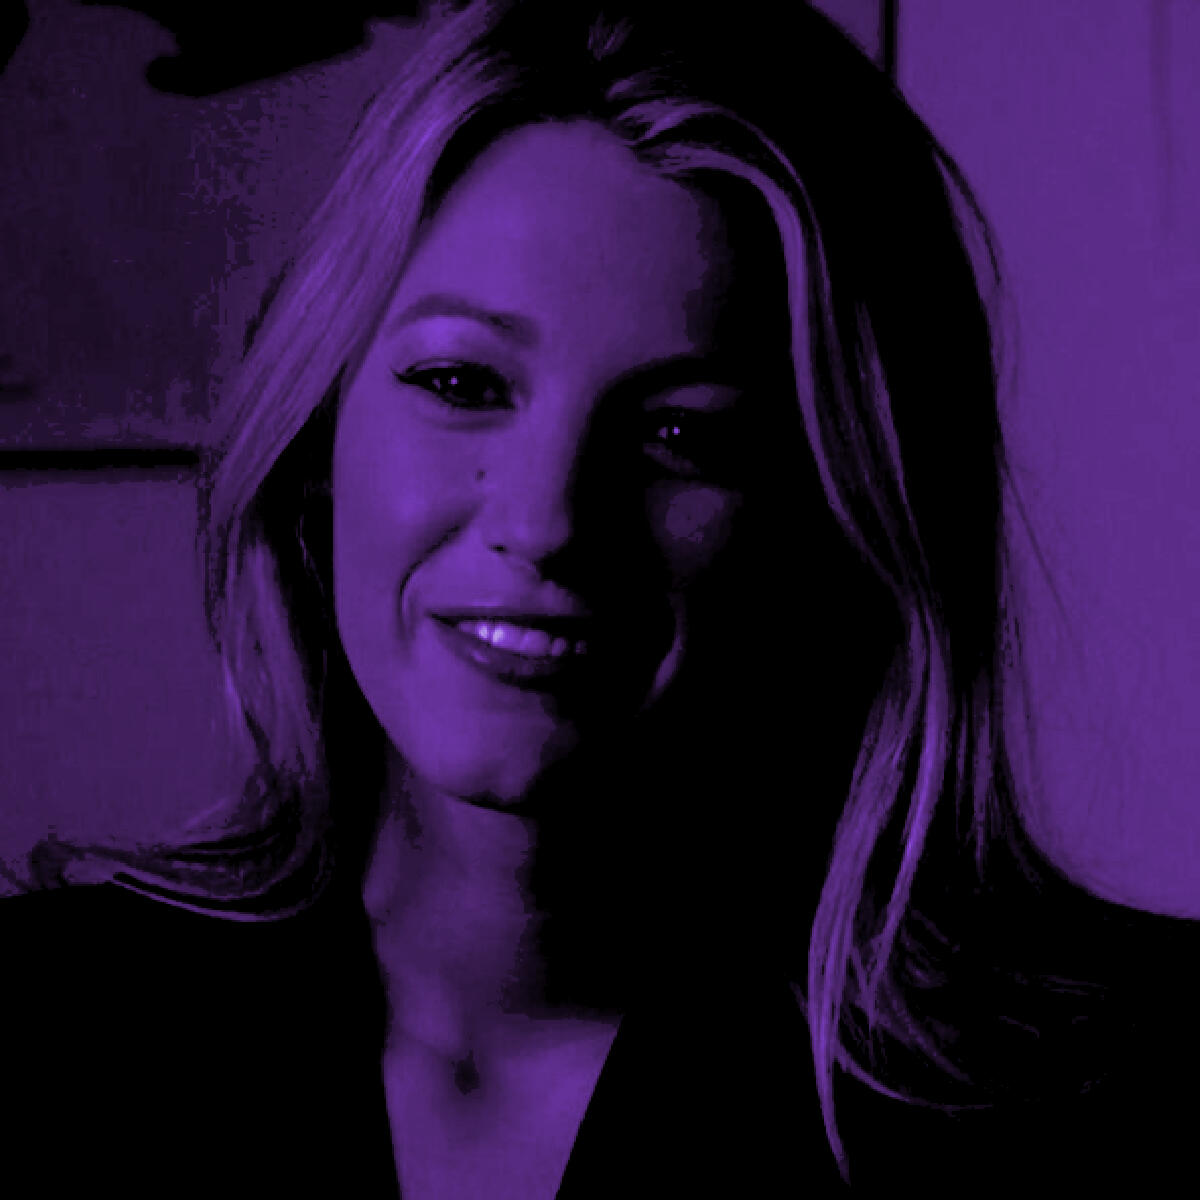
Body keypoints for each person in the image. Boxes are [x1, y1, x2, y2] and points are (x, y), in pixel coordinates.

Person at [4, 1, 1199, 1195]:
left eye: (683, 435)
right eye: (461, 383)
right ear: (318, 428)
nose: (546, 521)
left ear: (844, 518)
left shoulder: (1120, 1090)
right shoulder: (50, 1032)